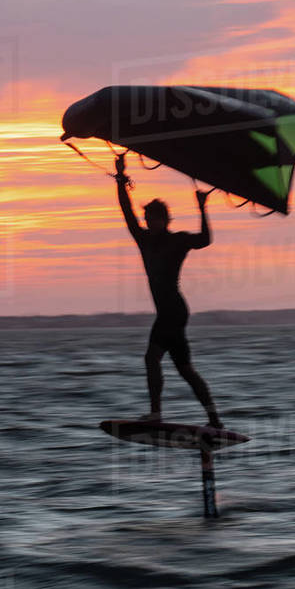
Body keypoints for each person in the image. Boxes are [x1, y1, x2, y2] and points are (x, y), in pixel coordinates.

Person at [114, 154, 223, 429]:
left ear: (166, 219)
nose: (150, 222)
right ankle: (215, 420)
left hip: (173, 311)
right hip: (170, 313)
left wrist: (202, 208)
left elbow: (206, 240)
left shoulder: (178, 241)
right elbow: (126, 211)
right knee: (186, 371)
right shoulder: (144, 240)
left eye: (155, 218)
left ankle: (156, 413)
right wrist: (120, 179)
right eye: (148, 218)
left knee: (152, 358)